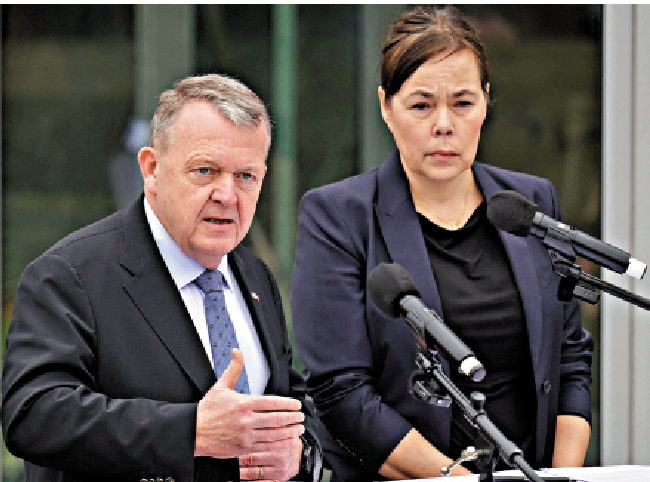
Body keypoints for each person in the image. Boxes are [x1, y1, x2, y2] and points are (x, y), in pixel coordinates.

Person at [290, 6, 592, 481]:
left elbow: (570, 359)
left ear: (486, 102)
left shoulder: (531, 202)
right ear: (386, 107)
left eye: (463, 103)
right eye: (421, 105)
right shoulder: (338, 216)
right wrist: (457, 480)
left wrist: (558, 478)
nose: (444, 124)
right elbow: (342, 391)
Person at [2, 73, 322, 482]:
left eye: (246, 176)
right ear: (151, 169)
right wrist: (190, 432)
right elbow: (34, 416)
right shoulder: (69, 276)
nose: (227, 195)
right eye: (205, 170)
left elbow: (288, 398)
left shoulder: (254, 274)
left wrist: (298, 452)